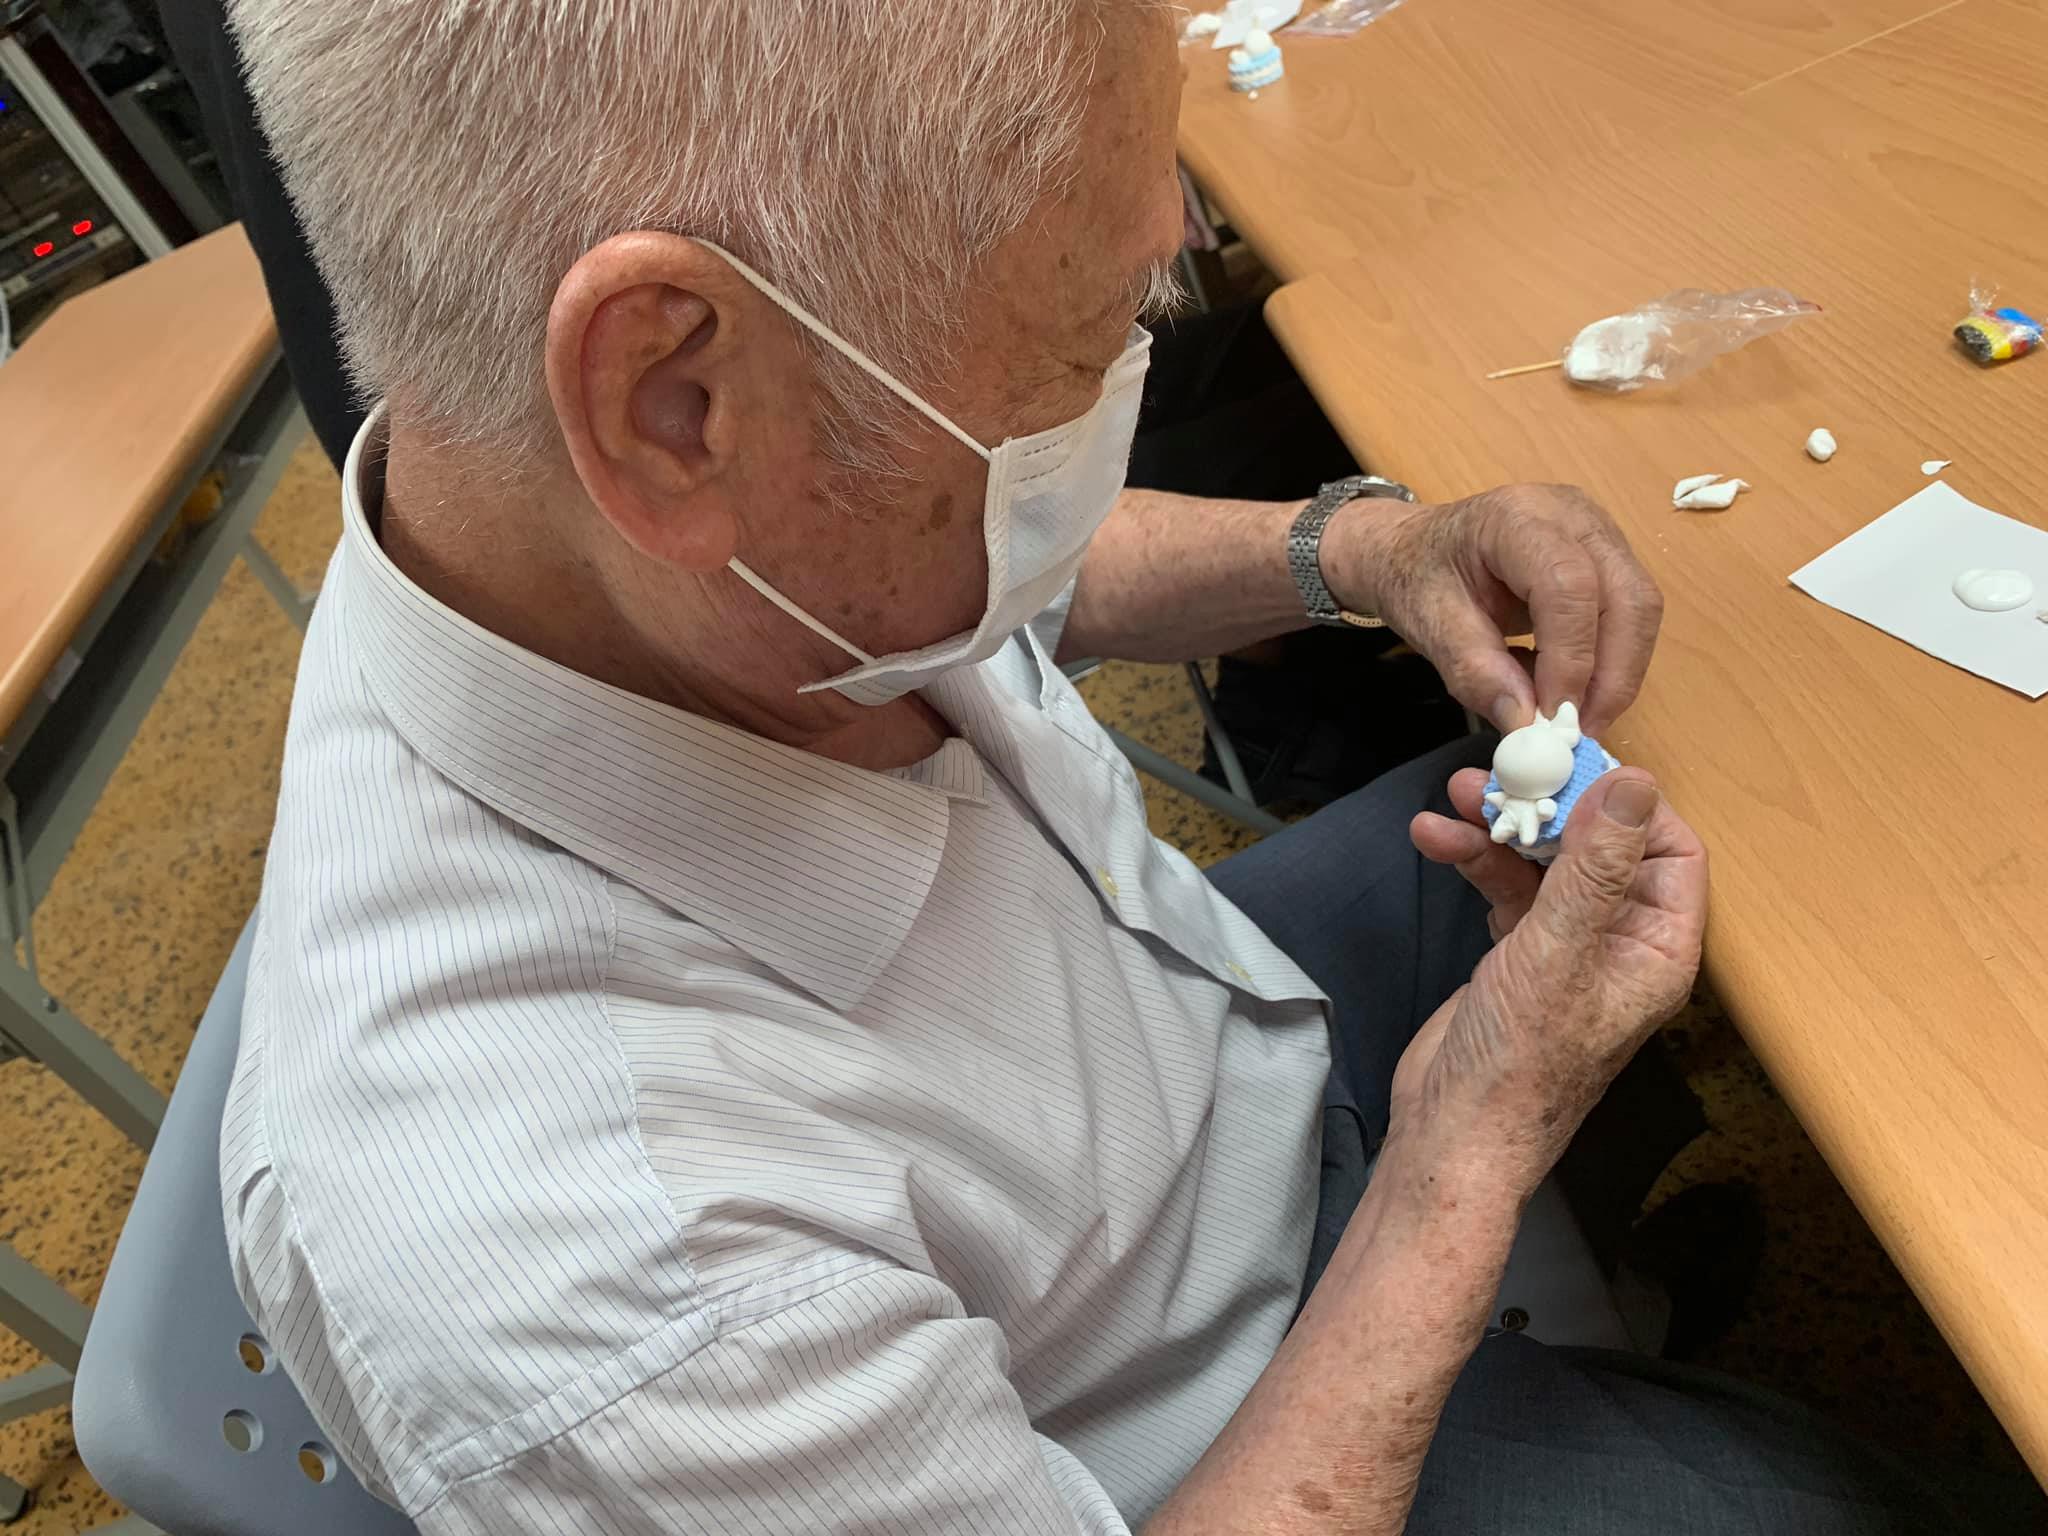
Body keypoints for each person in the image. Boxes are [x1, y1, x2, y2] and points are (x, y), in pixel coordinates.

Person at [215, 1, 2041, 1531]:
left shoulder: (590, 511)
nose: (1123, 375)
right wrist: (1466, 1150)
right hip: (1210, 1447)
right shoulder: (607, 1281)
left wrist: (1366, 550)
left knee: (1684, 814)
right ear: (676, 402)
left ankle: (1588, 1298)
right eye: (1089, 339)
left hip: (1185, 1049)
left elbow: (949, 546)